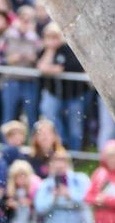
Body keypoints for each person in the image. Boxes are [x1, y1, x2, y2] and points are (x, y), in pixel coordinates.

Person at [36, 23, 86, 151]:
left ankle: (75, 154)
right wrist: (50, 50)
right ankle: (60, 145)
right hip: (53, 93)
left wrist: (50, 69)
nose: (52, 40)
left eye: (55, 36)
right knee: (50, 118)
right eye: (48, 36)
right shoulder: (45, 50)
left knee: (75, 127)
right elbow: (40, 66)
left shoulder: (69, 49)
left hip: (73, 94)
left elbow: (63, 68)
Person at [0, 5, 42, 130]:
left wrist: (34, 59)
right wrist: (8, 60)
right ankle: (7, 146)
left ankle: (33, 146)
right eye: (23, 19)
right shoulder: (7, 36)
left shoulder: (35, 38)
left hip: (29, 81)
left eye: (29, 20)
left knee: (32, 118)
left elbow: (41, 58)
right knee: (8, 117)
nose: (25, 23)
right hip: (11, 81)